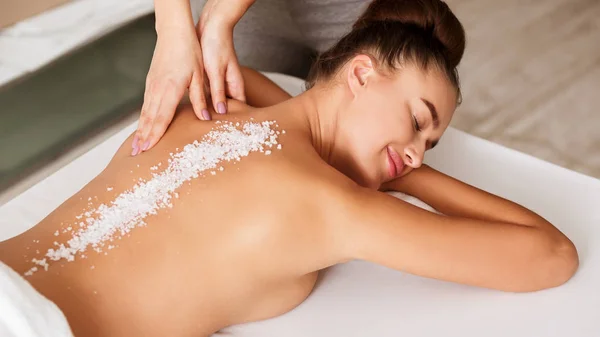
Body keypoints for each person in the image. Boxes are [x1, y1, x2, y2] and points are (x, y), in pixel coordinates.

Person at [0, 1, 578, 336]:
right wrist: (408, 177)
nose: (419, 150)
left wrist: (394, 152)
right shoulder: (332, 207)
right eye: (418, 120)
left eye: (429, 143)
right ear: (359, 73)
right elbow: (551, 256)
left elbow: (253, 80)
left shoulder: (200, 100)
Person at [133, 0, 370, 155]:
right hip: (243, 18)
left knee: (358, 143)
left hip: (346, 8)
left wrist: (224, 11)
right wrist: (172, 28)